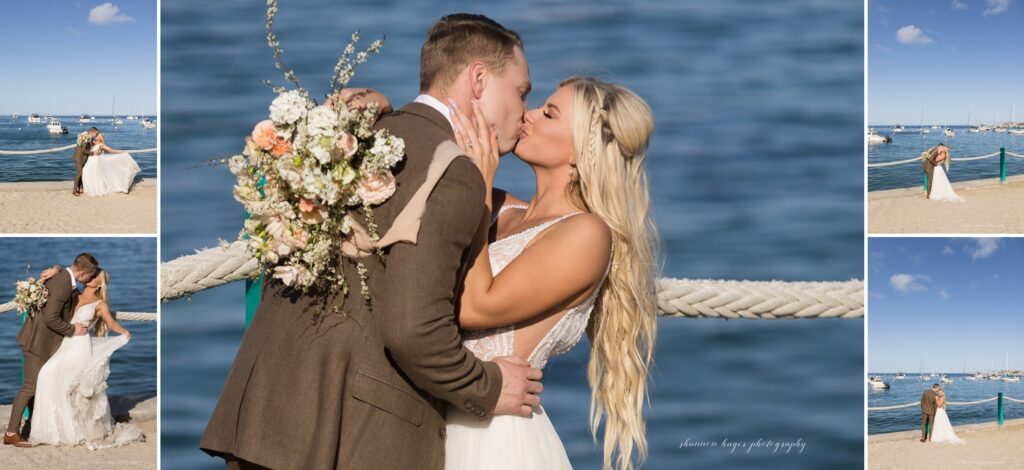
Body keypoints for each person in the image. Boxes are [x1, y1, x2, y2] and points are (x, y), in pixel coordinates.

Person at [200, 14, 543, 469]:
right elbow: (413, 330)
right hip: (347, 436)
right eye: (521, 91)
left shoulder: (353, 132)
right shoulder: (455, 172)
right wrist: (491, 386)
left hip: (264, 412)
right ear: (478, 79)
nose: (525, 112)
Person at [29, 268, 142, 448]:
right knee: (46, 375)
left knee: (68, 384)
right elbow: (66, 275)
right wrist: (55, 270)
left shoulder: (100, 304)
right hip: (66, 343)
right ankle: (54, 429)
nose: (91, 275)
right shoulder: (74, 294)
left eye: (96, 275)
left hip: (80, 346)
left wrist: (124, 332)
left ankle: (71, 431)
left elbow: (111, 323)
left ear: (99, 283)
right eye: (91, 273)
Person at [4, 254, 97, 448]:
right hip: (37, 341)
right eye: (91, 276)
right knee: (30, 387)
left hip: (41, 341)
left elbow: (60, 272)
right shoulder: (64, 284)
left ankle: (28, 428)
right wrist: (73, 330)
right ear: (82, 274)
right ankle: (12, 432)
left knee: (37, 386)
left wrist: (56, 268)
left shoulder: (62, 275)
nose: (90, 281)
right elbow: (50, 318)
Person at [81, 131, 141, 196]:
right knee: (86, 172)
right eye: (96, 135)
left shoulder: (101, 144)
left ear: (100, 137)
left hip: (95, 161)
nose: (96, 136)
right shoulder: (93, 143)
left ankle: (95, 189)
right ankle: (89, 188)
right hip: (90, 161)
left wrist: (123, 152)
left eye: (97, 135)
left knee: (94, 174)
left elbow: (111, 150)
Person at [71, 128, 99, 196]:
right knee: (79, 173)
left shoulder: (88, 137)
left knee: (82, 173)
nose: (96, 135)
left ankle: (80, 188)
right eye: (96, 134)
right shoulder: (84, 137)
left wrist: (93, 144)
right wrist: (93, 153)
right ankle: (74, 190)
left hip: (83, 158)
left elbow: (88, 146)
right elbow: (82, 150)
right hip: (79, 158)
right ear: (93, 132)